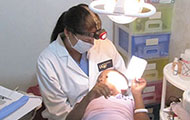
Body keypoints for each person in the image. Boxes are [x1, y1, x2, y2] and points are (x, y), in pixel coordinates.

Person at [36, 3, 149, 120]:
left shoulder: (105, 45)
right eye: (87, 38)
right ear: (68, 32)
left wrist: (135, 93)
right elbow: (61, 116)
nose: (92, 42)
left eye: (94, 36)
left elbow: (127, 86)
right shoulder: (47, 62)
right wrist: (89, 98)